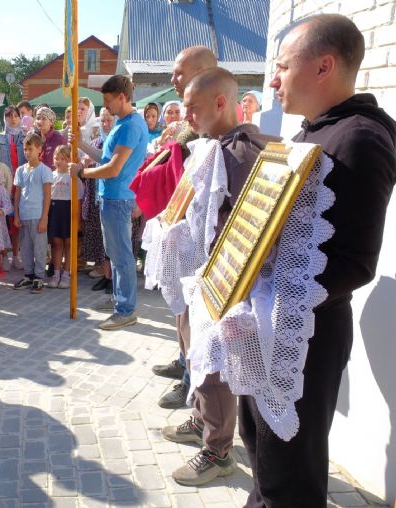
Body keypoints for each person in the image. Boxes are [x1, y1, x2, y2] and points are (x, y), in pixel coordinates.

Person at [238, 14, 395, 507]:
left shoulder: (360, 138)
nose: (272, 79)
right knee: (266, 460)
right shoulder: (318, 130)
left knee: (290, 476)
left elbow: (353, 261)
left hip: (302, 336)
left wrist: (268, 285)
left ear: (324, 66)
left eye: (283, 66)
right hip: (271, 324)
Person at [160, 67, 281, 486]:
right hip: (208, 272)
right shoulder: (212, 145)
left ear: (220, 102)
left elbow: (256, 223)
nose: (186, 116)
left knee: (216, 368)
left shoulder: (247, 151)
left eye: (193, 108)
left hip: (234, 280)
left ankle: (218, 451)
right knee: (200, 358)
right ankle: (202, 422)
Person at [150, 45, 219, 410]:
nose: (173, 80)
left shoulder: (210, 126)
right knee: (181, 312)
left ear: (204, 72)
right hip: (180, 233)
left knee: (194, 318)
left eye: (180, 73)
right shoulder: (188, 124)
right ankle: (183, 362)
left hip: (199, 242)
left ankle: (192, 382)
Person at [71, 75, 148, 330]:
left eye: (108, 100)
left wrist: (82, 173)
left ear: (122, 97)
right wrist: (81, 145)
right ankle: (119, 299)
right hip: (111, 197)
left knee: (122, 257)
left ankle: (126, 310)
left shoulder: (130, 126)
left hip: (118, 197)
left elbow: (113, 169)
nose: (105, 106)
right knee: (115, 255)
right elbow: (105, 158)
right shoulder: (123, 123)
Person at [13, 132, 53, 294]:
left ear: (39, 150)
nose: (27, 152)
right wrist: (16, 214)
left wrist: (45, 217)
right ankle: (28, 275)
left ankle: (39, 277)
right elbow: (17, 194)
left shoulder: (45, 170)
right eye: (25, 149)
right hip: (24, 215)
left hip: (38, 215)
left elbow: (48, 195)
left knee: (39, 247)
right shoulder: (20, 170)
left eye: (30, 149)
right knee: (26, 247)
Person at [83, 108, 113, 289]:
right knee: (104, 239)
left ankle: (113, 279)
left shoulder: (117, 141)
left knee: (114, 241)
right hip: (98, 193)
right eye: (102, 120)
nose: (105, 123)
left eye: (109, 120)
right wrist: (85, 163)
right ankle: (106, 274)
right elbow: (86, 161)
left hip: (115, 194)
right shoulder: (96, 141)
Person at [0, 106, 26, 270]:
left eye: (16, 116)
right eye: (9, 116)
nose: (13, 119)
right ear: (4, 119)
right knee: (3, 222)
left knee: (16, 223)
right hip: (4, 186)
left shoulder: (26, 137)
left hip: (20, 185)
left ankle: (16, 254)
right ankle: (4, 255)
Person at [47, 145, 80, 289]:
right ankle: (56, 273)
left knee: (69, 243)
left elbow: (78, 199)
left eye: (63, 159)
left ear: (69, 160)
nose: (59, 161)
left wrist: (78, 220)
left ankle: (66, 274)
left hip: (68, 211)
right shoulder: (51, 176)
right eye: (56, 158)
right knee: (56, 243)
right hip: (55, 211)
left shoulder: (73, 177)